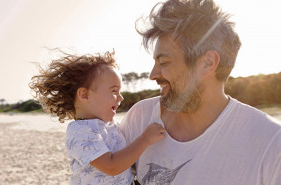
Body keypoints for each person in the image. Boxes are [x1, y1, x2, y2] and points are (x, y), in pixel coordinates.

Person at [119, 0, 281, 184]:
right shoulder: (139, 119)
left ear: (207, 63)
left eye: (163, 62)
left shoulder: (271, 144)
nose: (153, 75)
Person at [29, 51, 166, 185]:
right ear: (85, 95)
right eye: (114, 91)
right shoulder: (80, 131)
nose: (121, 97)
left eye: (120, 91)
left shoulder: (113, 126)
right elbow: (111, 166)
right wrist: (145, 139)